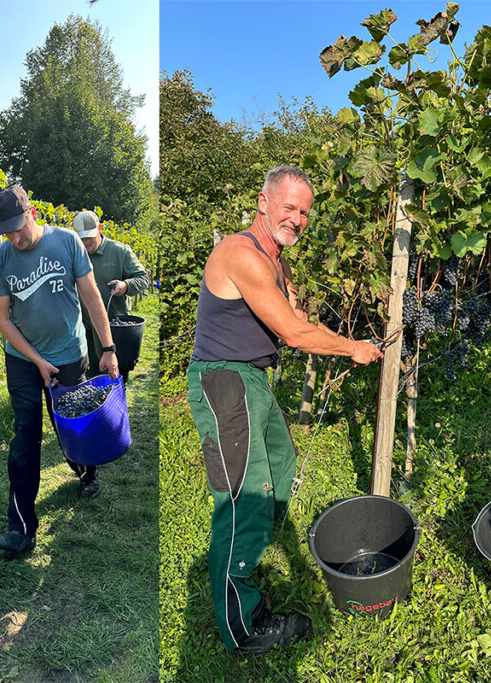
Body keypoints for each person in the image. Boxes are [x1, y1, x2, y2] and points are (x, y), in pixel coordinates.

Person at [187, 165, 382, 653]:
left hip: (252, 378)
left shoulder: (278, 262)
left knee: (281, 466)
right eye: (289, 207)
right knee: (245, 498)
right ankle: (243, 626)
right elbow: (295, 335)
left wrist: (331, 337)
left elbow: (292, 320)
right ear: (263, 202)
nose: (296, 219)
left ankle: (247, 559)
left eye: (304, 212)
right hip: (225, 380)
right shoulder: (241, 253)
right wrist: (352, 347)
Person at [0, 186, 120, 554]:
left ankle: (86, 472)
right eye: (7, 232)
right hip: (23, 360)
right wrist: (36, 360)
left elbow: (92, 297)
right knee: (25, 435)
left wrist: (107, 348)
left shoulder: (66, 243)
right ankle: (21, 528)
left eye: (19, 228)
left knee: (71, 429)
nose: (16, 238)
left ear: (31, 212)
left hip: (68, 354)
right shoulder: (0, 259)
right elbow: (2, 318)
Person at [72, 210, 149, 381]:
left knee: (116, 380)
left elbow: (143, 279)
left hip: (116, 330)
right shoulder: (73, 255)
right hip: (86, 332)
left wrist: (126, 285)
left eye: (89, 237)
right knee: (91, 381)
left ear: (99, 229)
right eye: (81, 238)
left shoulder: (120, 252)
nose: (85, 242)